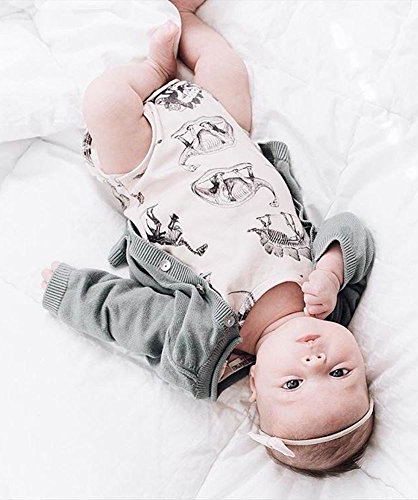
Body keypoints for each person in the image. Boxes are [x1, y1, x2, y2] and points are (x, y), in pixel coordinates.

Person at [41, 0, 375, 476]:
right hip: (226, 138)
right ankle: (184, 16)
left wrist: (72, 293)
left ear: (255, 384)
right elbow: (352, 229)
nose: (315, 359)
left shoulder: (208, 348)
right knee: (223, 65)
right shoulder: (333, 299)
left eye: (293, 384)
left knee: (105, 102)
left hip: (149, 170)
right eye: (339, 372)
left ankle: (153, 70)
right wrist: (332, 268)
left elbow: (137, 318)